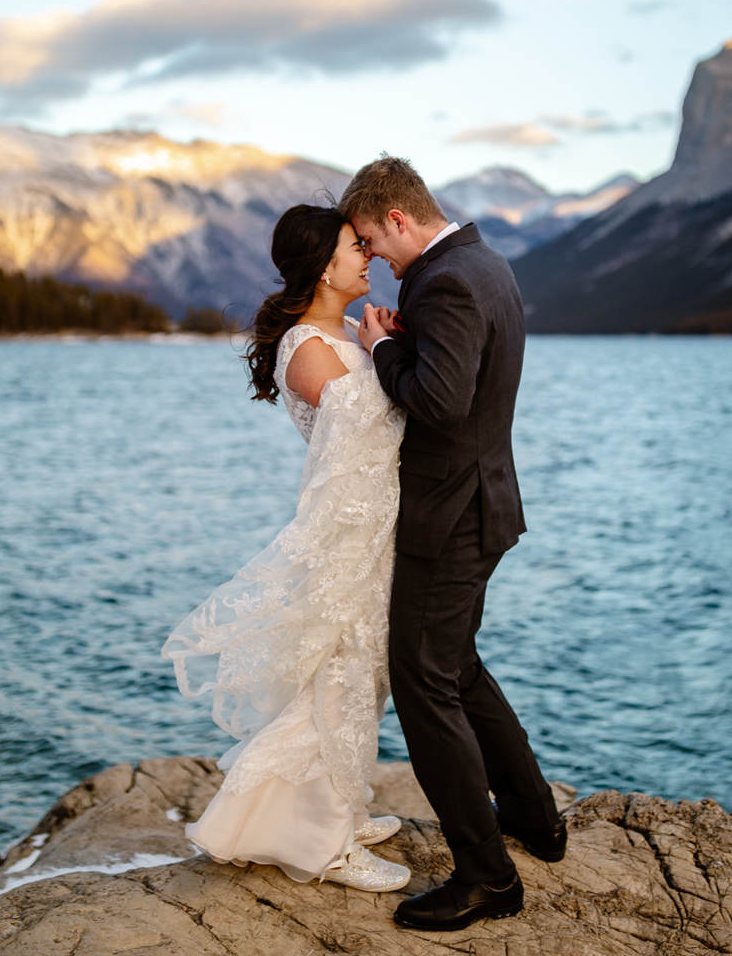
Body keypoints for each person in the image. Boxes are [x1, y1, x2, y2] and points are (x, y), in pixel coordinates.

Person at [341, 155, 566, 931]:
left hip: (452, 514)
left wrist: (381, 350)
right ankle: (536, 820)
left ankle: (488, 878)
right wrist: (408, 345)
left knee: (423, 681)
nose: (372, 257)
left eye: (371, 240)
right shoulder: (483, 262)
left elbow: (438, 402)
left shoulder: (446, 280)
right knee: (457, 665)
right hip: (482, 503)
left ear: (398, 218)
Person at [162, 203, 411, 892]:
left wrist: (380, 345)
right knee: (333, 684)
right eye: (354, 247)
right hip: (344, 539)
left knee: (364, 681)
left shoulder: (344, 338)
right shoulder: (307, 348)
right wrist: (390, 352)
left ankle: (340, 809)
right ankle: (321, 844)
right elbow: (372, 436)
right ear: (322, 265)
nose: (368, 256)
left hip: (375, 535)